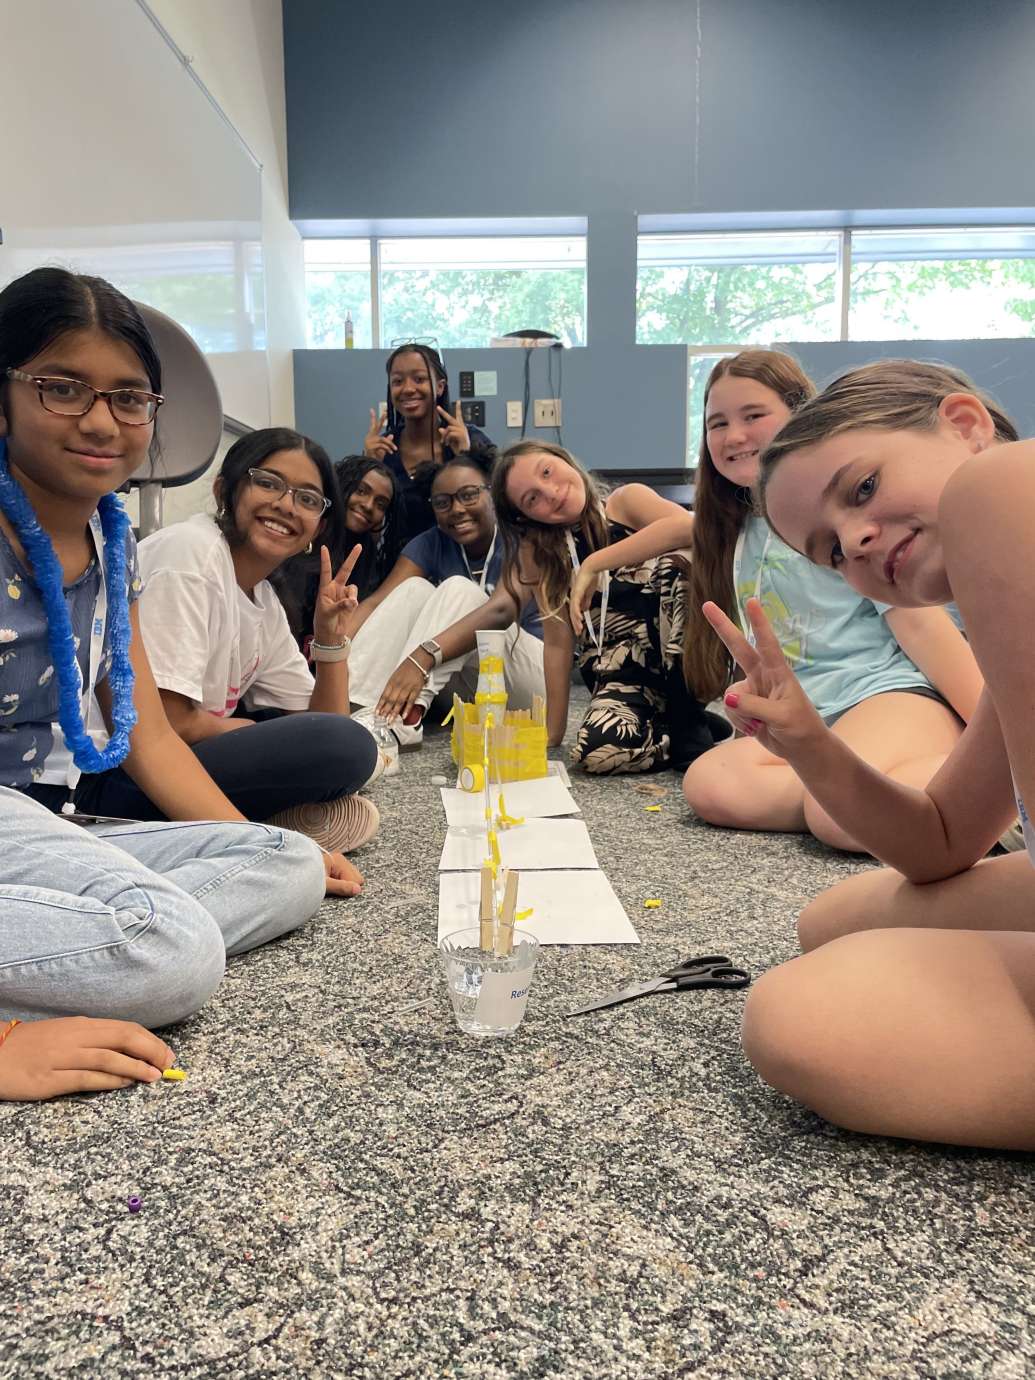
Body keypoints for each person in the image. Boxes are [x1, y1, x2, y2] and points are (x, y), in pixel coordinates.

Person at [0, 267, 338, 1103]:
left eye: (129, 398)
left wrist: (240, 845)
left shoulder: (112, 549)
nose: (101, 419)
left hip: (46, 819)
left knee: (287, 859)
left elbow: (147, 731)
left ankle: (85, 945)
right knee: (176, 951)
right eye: (62, 387)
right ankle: (108, 950)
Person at [703, 359, 1035, 1150]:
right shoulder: (997, 622)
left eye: (859, 489)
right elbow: (939, 843)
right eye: (827, 554)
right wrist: (810, 746)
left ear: (962, 424)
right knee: (834, 919)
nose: (852, 540)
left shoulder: (1000, 484)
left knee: (800, 1015)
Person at [681, 351, 982, 852]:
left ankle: (938, 792)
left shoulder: (858, 529)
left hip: (887, 692)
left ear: (804, 415)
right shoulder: (744, 530)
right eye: (717, 424)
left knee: (837, 818)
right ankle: (876, 793)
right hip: (815, 709)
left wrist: (1002, 741)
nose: (734, 435)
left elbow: (922, 626)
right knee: (710, 783)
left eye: (753, 416)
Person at [76, 428, 381, 855]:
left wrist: (331, 643)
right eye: (268, 482)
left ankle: (253, 820)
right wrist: (259, 728)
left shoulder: (263, 597)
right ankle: (253, 826)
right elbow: (171, 724)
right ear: (226, 490)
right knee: (347, 746)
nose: (286, 505)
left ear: (319, 526)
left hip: (176, 762)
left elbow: (324, 722)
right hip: (112, 780)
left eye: (308, 498)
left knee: (342, 742)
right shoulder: (191, 555)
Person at [492, 440, 728, 773]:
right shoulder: (543, 556)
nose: (551, 491)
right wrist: (552, 733)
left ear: (565, 459)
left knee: (681, 564)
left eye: (547, 471)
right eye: (533, 499)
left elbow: (692, 528)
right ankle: (667, 730)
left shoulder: (625, 501)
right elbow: (558, 645)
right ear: (524, 516)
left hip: (679, 659)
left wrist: (595, 563)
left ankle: (688, 718)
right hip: (620, 677)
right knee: (595, 753)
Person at [345, 451, 543, 742]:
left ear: (493, 493)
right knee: (414, 590)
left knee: (459, 589)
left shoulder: (522, 538)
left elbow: (501, 611)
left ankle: (402, 720)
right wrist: (328, 657)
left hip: (528, 685)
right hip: (468, 693)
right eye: (443, 502)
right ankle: (353, 711)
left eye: (469, 495)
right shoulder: (430, 543)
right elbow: (378, 603)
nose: (457, 509)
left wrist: (421, 657)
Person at [362, 343, 492, 544]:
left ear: (440, 386)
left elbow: (498, 506)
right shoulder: (383, 449)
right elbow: (368, 532)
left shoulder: (469, 439)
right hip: (402, 562)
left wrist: (466, 456)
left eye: (419, 379)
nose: (408, 389)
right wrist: (367, 467)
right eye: (397, 381)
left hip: (465, 560)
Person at [274, 453, 400, 647]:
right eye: (361, 490)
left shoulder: (368, 558)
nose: (368, 505)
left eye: (380, 504)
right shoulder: (306, 529)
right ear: (342, 484)